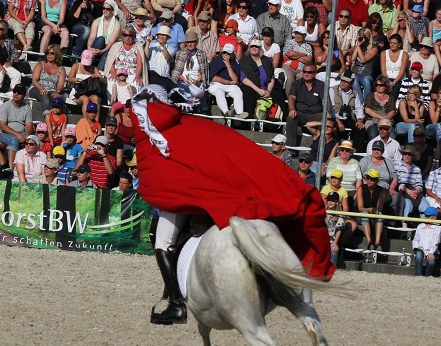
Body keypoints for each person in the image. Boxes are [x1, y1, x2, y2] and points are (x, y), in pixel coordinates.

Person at [131, 84, 333, 325]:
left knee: (162, 243)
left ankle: (175, 304)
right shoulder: (186, 122)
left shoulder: (148, 127)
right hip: (201, 191)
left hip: (180, 196)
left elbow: (157, 169)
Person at [0, 84, 33, 167]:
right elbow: (3, 126)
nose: (16, 94)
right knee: (13, 140)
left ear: (24, 95)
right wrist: (18, 135)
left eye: (19, 93)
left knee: (33, 141)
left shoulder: (27, 108)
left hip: (22, 133)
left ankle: (31, 166)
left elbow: (29, 125)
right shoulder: (4, 107)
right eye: (14, 92)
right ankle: (11, 168)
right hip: (5, 134)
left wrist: (26, 137)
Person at [412, 206, 441, 277]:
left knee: (431, 262)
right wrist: (415, 247)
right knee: (418, 255)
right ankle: (418, 274)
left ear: (434, 217)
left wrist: (430, 253)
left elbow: (435, 242)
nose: (425, 217)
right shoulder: (420, 226)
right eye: (425, 215)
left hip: (432, 250)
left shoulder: (437, 227)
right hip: (421, 248)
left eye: (427, 216)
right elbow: (416, 239)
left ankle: (428, 275)